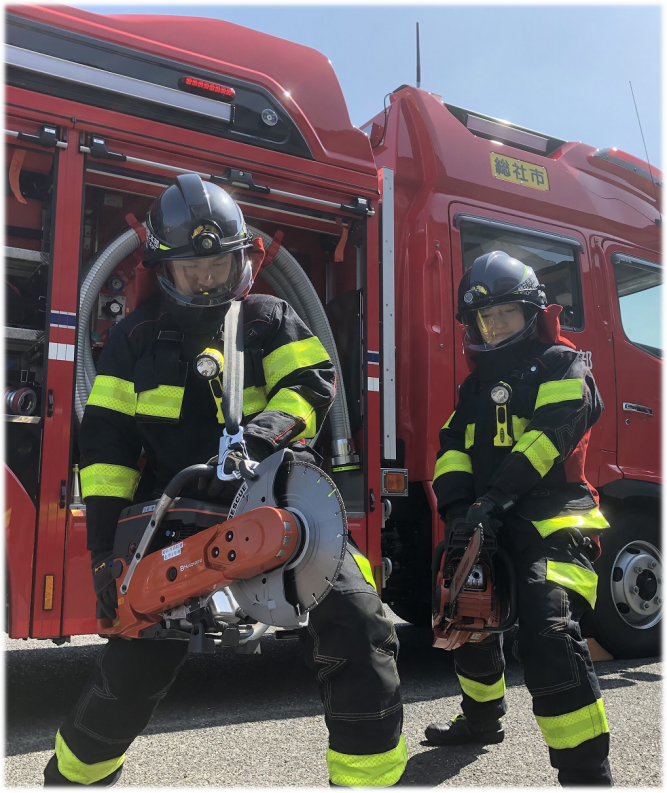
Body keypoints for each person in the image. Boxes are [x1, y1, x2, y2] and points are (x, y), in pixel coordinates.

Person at [44, 175, 406, 792]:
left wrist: (261, 435)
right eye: (193, 268)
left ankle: (369, 783)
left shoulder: (270, 319)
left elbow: (314, 387)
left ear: (241, 259)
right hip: (177, 517)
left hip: (277, 505)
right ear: (165, 268)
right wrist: (106, 554)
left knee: (357, 621)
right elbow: (107, 454)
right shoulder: (132, 341)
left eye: (218, 263)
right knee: (134, 663)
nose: (208, 278)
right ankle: (72, 783)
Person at [425, 251, 613, 792]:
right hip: (488, 516)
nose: (495, 325)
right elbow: (452, 449)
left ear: (531, 312)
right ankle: (481, 720)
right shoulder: (474, 387)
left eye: (506, 313)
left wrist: (497, 498)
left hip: (554, 519)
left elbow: (551, 436)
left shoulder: (561, 362)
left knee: (549, 631)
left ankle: (588, 777)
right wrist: (459, 512)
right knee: (466, 609)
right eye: (486, 318)